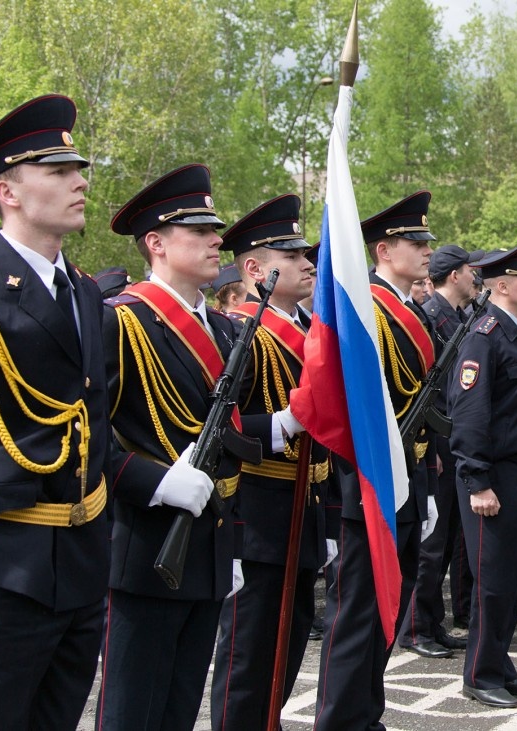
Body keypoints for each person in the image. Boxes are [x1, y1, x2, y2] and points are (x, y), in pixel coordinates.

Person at [0, 94, 111, 730]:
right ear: (10, 191)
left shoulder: (83, 291)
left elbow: (93, 417)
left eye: (76, 168)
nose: (79, 181)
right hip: (2, 569)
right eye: (57, 171)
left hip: (81, 561)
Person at [98, 164, 244, 730]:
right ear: (156, 244)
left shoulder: (224, 329)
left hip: (207, 546)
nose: (216, 241)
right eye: (200, 232)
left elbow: (228, 442)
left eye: (216, 231)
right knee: (134, 710)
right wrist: (152, 480)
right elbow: (89, 441)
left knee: (180, 707)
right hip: (145, 544)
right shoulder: (123, 322)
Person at [306, 191, 439, 731]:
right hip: (370, 485)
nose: (427, 250)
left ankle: (366, 715)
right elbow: (354, 402)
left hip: (405, 478)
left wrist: (425, 483)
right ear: (383, 250)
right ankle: (339, 721)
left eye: (428, 241)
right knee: (358, 614)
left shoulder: (405, 308)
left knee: (389, 609)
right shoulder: (368, 310)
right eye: (416, 241)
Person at [210, 194, 331, 729]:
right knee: (249, 654)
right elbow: (217, 426)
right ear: (254, 269)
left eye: (306, 253)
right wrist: (284, 423)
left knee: (287, 648)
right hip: (255, 514)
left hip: (303, 508)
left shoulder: (306, 331)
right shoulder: (240, 331)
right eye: (292, 253)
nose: (308, 263)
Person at [448, 238, 517, 708]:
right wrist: (478, 481)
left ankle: (500, 665)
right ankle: (479, 673)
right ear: (504, 284)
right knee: (491, 581)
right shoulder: (485, 336)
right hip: (495, 477)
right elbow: (469, 414)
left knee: (510, 579)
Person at [399, 243, 475, 658]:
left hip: (455, 434)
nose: (474, 278)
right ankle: (415, 627)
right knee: (432, 541)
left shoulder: (460, 317)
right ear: (453, 275)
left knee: (445, 538)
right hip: (438, 438)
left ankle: (433, 621)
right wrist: (432, 445)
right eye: (468, 271)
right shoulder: (430, 318)